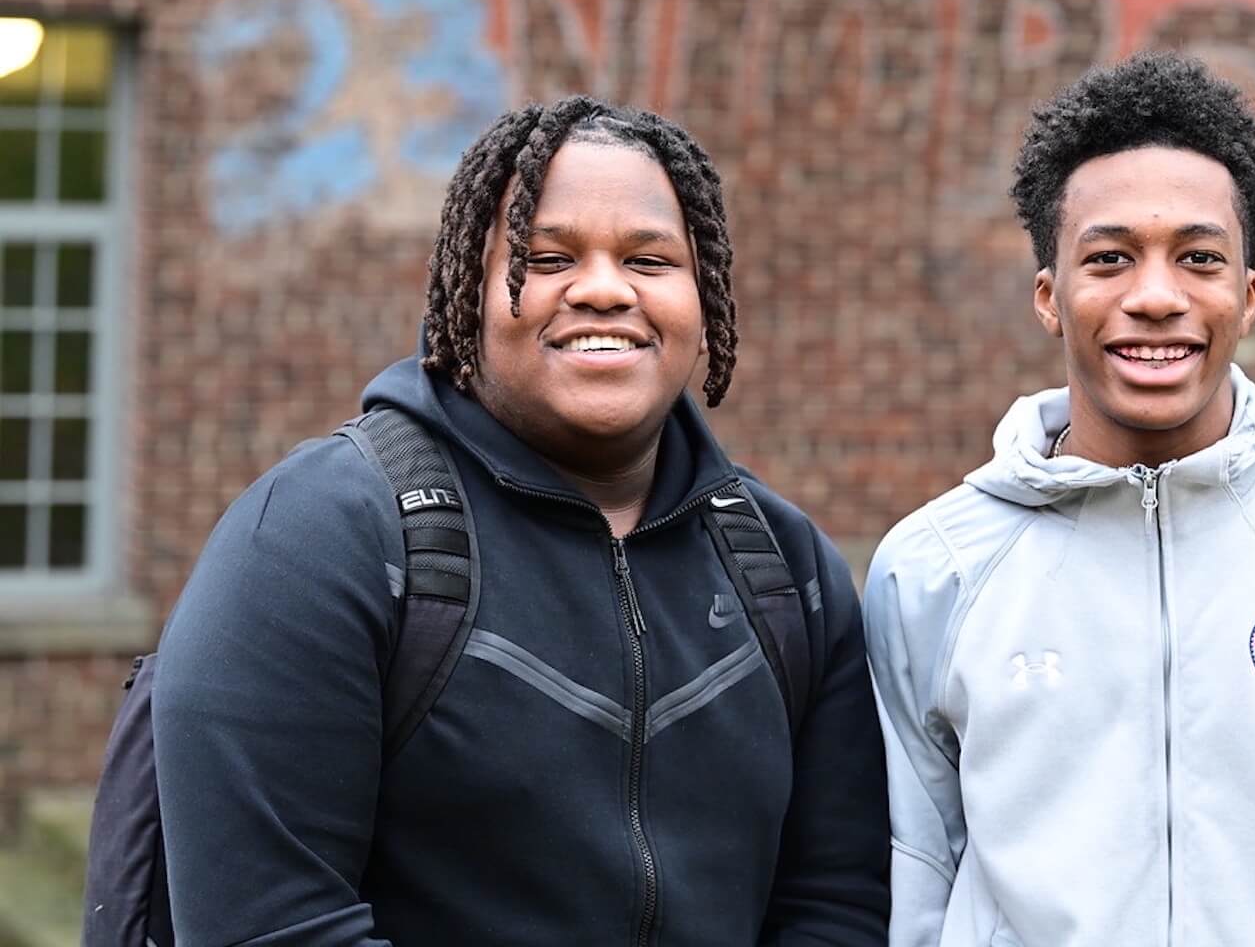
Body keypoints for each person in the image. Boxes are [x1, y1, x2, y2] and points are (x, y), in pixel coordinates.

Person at [153, 97, 889, 945]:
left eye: (650, 260)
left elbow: (835, 907)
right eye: (547, 257)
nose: (605, 289)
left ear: (703, 295)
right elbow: (270, 926)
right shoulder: (317, 539)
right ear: (468, 288)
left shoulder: (785, 568)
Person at [864, 53, 1255, 946]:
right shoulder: (933, 570)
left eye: (1197, 258)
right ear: (1051, 297)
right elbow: (912, 875)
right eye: (1111, 258)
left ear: (1248, 296)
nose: (1155, 297)